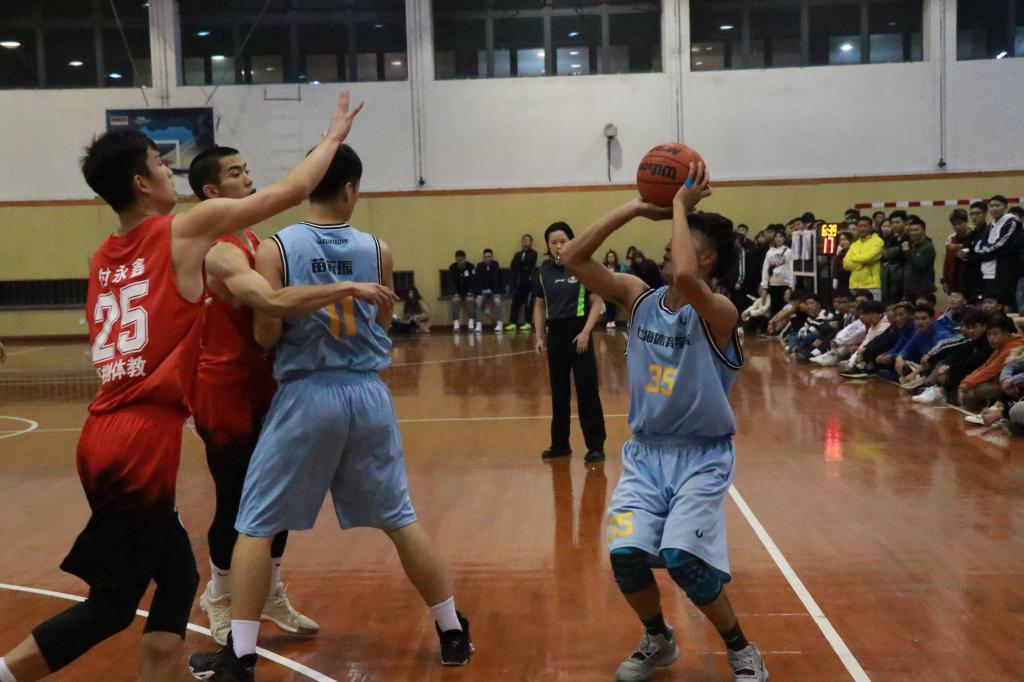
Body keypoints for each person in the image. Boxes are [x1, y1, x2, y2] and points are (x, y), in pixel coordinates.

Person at [0, 92, 363, 682]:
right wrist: (333, 136)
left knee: (178, 577)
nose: (171, 171)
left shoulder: (102, 257)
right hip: (140, 439)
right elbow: (293, 190)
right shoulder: (182, 230)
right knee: (113, 605)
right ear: (142, 183)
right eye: (161, 164)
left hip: (103, 433)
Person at [188, 144, 471, 681]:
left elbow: (266, 332)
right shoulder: (378, 248)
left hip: (306, 394)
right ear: (350, 190)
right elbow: (380, 325)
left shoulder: (276, 247)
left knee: (255, 525)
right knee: (401, 520)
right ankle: (452, 630)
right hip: (366, 393)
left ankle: (240, 655)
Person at [558, 163, 768, 682]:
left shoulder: (721, 313)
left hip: (701, 456)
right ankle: (658, 638)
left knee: (682, 559)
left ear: (707, 257)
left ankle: (741, 649)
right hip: (645, 455)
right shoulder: (638, 297)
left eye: (680, 241)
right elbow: (573, 256)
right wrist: (635, 207)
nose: (668, 246)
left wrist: (679, 204)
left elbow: (689, 280)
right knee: (625, 555)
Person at [187, 146, 344, 646]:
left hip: (265, 379)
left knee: (280, 492)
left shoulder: (254, 238)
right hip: (223, 386)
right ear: (212, 191)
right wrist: (346, 289)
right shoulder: (217, 249)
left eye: (247, 169)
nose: (247, 178)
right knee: (235, 498)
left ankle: (270, 592)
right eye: (236, 173)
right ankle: (219, 595)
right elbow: (271, 304)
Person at [533, 222, 607, 463]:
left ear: (572, 242)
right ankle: (560, 444)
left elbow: (597, 302)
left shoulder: (582, 267)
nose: (558, 246)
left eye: (562, 241)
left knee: (587, 392)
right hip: (556, 335)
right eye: (553, 242)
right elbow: (539, 306)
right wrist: (539, 336)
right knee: (559, 393)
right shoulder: (543, 272)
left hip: (579, 334)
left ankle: (595, 445)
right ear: (547, 245)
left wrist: (586, 332)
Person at [958, 315, 1024, 412]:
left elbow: (989, 371)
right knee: (972, 386)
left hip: (1015, 388)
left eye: (995, 334)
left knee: (980, 389)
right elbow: (984, 367)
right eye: (989, 334)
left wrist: (965, 386)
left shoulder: (1014, 346)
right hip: (1005, 384)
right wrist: (964, 383)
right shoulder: (1001, 346)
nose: (991, 338)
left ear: (1007, 333)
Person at [967, 195, 1022, 310]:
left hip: (1004, 272)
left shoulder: (1011, 222)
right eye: (991, 206)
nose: (994, 208)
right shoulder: (991, 225)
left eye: (997, 205)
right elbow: (980, 245)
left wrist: (983, 253)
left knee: (1003, 307)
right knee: (989, 307)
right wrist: (979, 253)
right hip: (987, 272)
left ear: (1006, 207)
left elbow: (1002, 245)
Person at [843, 216, 884, 301]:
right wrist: (861, 264)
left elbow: (870, 257)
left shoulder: (878, 241)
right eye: (860, 226)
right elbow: (846, 264)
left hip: (872, 286)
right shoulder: (854, 244)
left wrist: (854, 258)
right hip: (854, 286)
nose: (862, 229)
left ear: (871, 227)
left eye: (865, 226)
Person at [507, 234, 538, 332]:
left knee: (528, 304)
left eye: (528, 240)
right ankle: (513, 323)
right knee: (515, 304)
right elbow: (513, 265)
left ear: (531, 242)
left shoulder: (533, 253)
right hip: (518, 283)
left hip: (528, 284)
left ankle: (528, 323)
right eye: (524, 240)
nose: (525, 241)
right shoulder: (518, 254)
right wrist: (522, 266)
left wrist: (521, 265)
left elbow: (529, 264)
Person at [902, 216, 936, 300]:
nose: (913, 233)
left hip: (922, 290)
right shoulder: (912, 245)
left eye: (916, 230)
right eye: (911, 230)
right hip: (909, 288)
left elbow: (919, 265)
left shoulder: (928, 247)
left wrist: (908, 252)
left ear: (924, 230)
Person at [761, 231, 794, 316]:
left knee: (785, 308)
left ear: (784, 239)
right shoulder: (770, 252)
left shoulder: (788, 251)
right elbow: (765, 268)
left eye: (780, 237)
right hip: (773, 283)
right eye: (776, 237)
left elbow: (791, 268)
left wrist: (791, 285)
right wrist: (764, 285)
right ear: (774, 239)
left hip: (785, 284)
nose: (778, 239)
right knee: (774, 308)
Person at [942, 209, 973, 295]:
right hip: (953, 281)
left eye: (960, 223)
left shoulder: (973, 237)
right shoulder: (951, 241)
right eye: (954, 224)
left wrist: (959, 248)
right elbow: (947, 262)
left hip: (969, 281)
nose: (957, 227)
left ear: (966, 222)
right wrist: (945, 280)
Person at [881, 210, 908, 303]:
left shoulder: (909, 238)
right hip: (892, 278)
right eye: (893, 223)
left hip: (905, 279)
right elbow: (885, 255)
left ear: (905, 223)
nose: (895, 225)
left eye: (898, 222)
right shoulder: (893, 239)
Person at [474, 248, 503, 333]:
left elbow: (496, 279)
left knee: (498, 301)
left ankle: (499, 323)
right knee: (478, 302)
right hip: (483, 290)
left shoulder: (495, 264)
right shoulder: (479, 266)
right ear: (483, 257)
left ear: (492, 257)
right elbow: (478, 280)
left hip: (493, 291)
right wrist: (479, 294)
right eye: (485, 257)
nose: (487, 258)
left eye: (489, 256)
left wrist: (495, 293)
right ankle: (478, 323)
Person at [448, 250, 476, 332]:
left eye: (461, 260)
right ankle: (456, 323)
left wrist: (470, 292)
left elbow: (473, 281)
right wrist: (455, 293)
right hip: (458, 291)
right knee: (455, 300)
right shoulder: (452, 268)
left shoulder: (471, 267)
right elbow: (451, 282)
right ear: (455, 259)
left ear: (465, 259)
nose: (460, 262)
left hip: (468, 291)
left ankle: (471, 322)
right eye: (458, 260)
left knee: (470, 300)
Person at [603, 250, 622, 328]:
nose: (611, 258)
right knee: (608, 304)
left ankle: (613, 320)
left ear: (615, 258)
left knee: (614, 304)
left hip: (615, 289)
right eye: (609, 257)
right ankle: (608, 320)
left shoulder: (618, 267)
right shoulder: (603, 267)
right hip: (606, 289)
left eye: (612, 256)